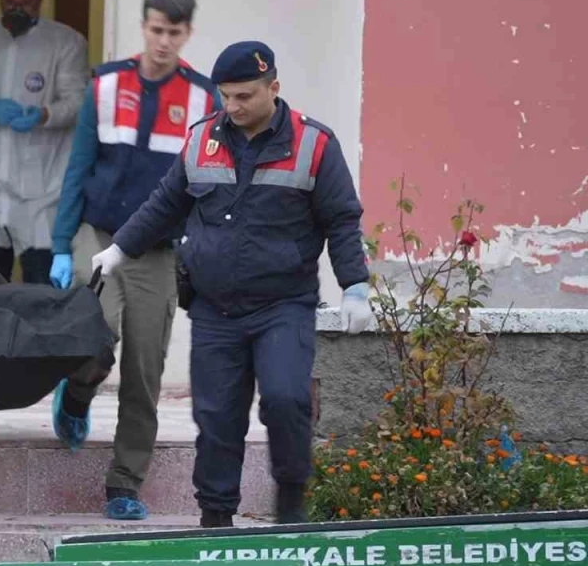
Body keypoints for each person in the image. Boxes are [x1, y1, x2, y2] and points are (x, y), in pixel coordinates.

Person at [89, 40, 375, 527]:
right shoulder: (202, 138)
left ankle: (291, 502)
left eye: (244, 96)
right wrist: (119, 250)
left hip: (283, 305)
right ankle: (216, 518)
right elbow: (165, 203)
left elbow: (342, 220)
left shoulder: (314, 144)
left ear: (273, 88)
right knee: (216, 417)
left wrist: (355, 286)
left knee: (286, 399)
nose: (233, 106)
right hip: (214, 308)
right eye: (225, 96)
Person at [48, 0, 221, 521]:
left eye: (174, 32)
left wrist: (200, 252)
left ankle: (124, 484)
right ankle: (77, 395)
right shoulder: (105, 85)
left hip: (158, 250)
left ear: (188, 33)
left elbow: (209, 185)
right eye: (156, 29)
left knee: (145, 368)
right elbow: (78, 168)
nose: (163, 41)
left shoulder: (203, 99)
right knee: (96, 334)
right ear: (143, 26)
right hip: (99, 235)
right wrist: (60, 245)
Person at [0, 0, 89, 284]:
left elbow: (78, 103)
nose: (17, 9)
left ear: (41, 1)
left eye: (26, 3)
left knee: (39, 289)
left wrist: (44, 115)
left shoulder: (66, 42)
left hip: (42, 189)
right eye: (9, 2)